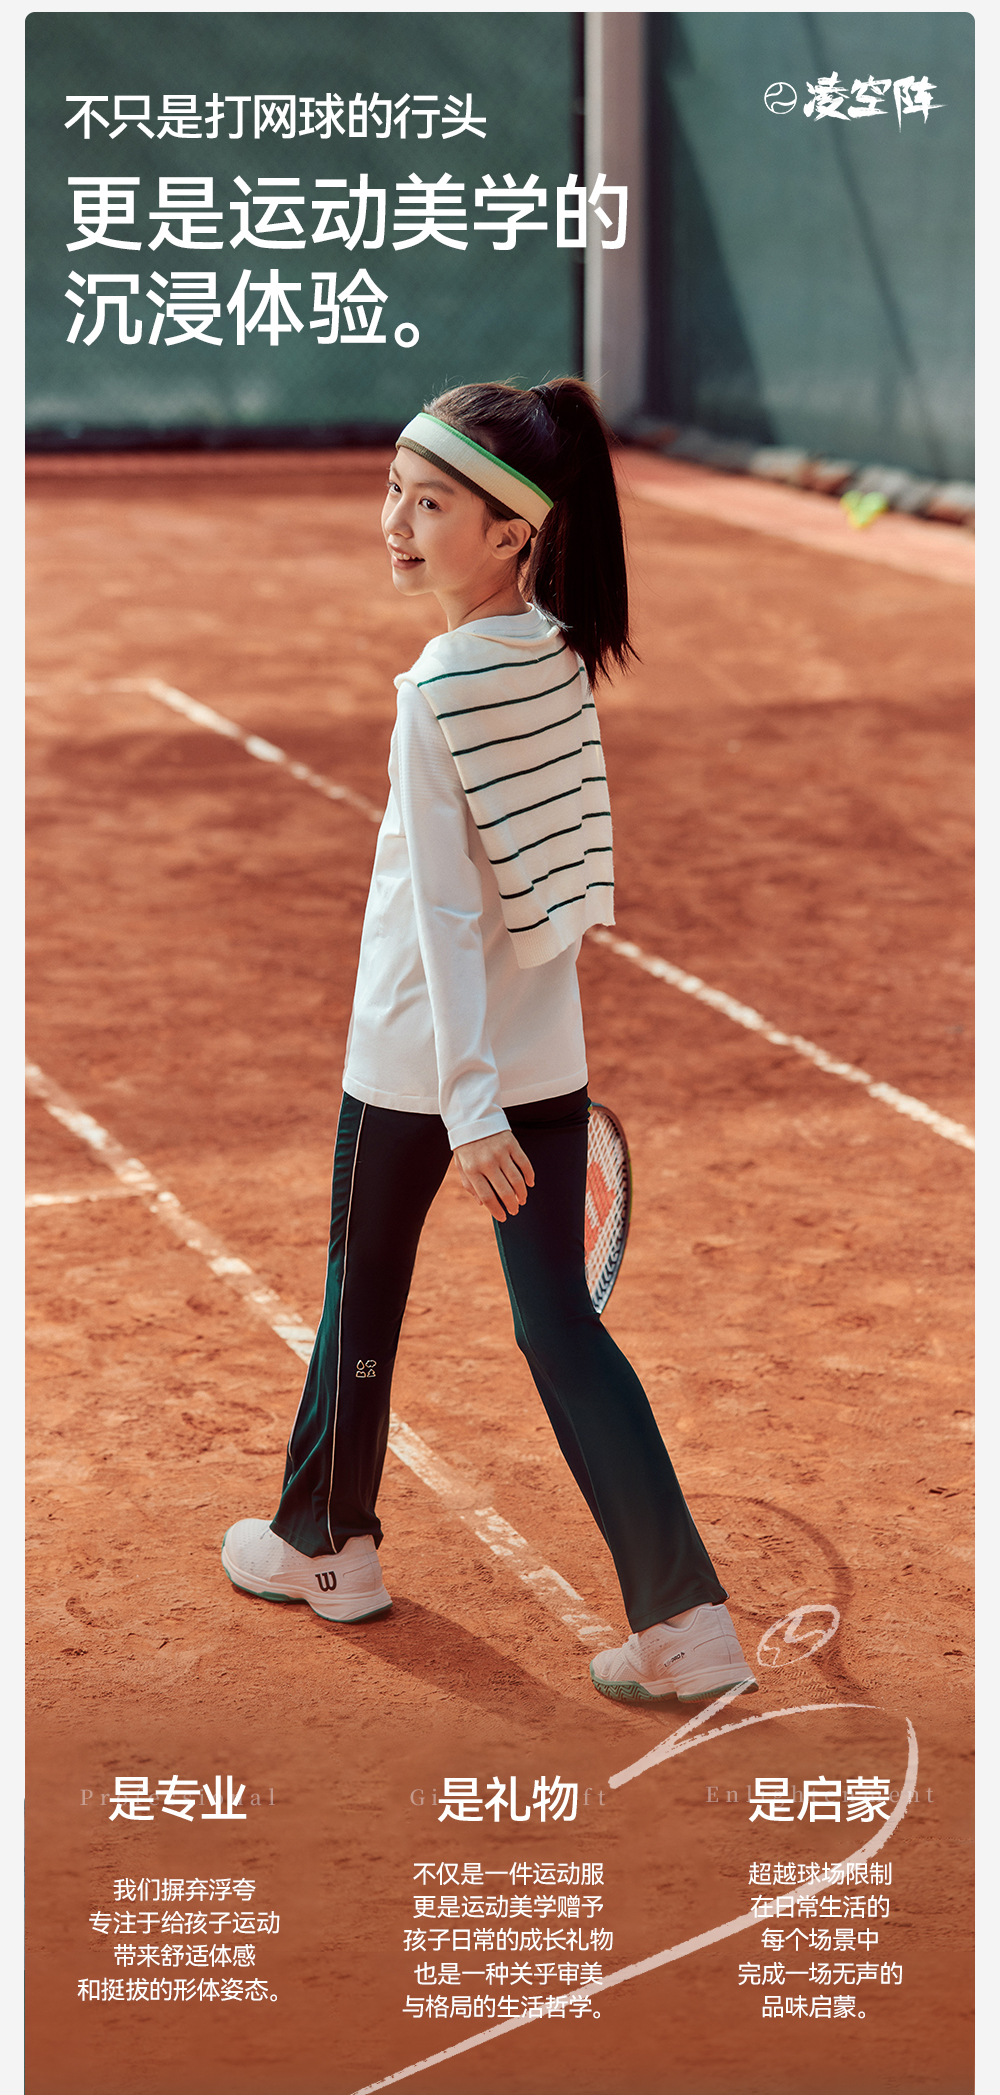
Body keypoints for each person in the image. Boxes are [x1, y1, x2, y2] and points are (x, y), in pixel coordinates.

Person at [222, 379, 757, 1705]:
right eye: (395, 492)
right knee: (561, 1331)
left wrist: (466, 1106)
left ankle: (327, 1545)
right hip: (543, 1068)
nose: (396, 523)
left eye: (432, 504)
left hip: (421, 1069)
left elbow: (451, 917)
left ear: (513, 530)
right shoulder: (560, 659)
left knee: (362, 1295)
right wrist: (515, 1084)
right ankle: (687, 1623)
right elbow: (556, 890)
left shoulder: (434, 692)